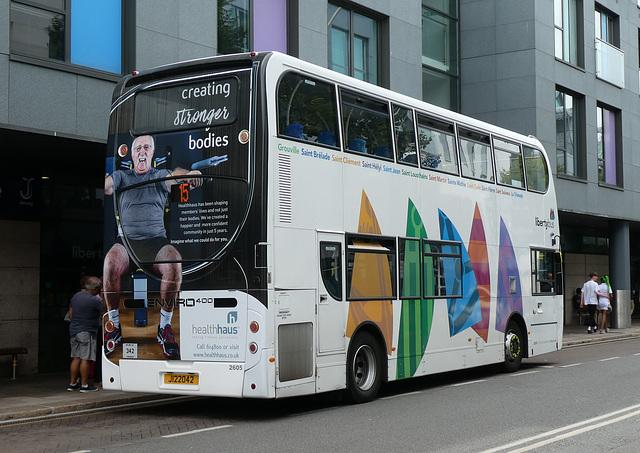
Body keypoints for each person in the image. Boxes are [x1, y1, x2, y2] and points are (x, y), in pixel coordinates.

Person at [103, 135, 202, 360]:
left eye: (146, 148)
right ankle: (114, 326)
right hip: (127, 244)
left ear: (151, 154)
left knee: (174, 261)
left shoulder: (159, 176)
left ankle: (164, 328)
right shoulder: (121, 176)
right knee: (110, 261)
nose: (141, 151)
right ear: (132, 154)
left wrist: (190, 175)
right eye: (138, 148)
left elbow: (175, 177)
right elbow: (108, 187)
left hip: (155, 242)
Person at [67, 276, 103, 392]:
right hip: (87, 331)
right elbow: (106, 309)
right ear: (95, 288)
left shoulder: (76, 296)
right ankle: (84, 385)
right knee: (85, 359)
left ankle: (72, 383)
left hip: (74, 330)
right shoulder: (95, 300)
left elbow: (70, 312)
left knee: (76, 358)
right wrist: (102, 296)